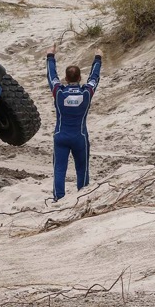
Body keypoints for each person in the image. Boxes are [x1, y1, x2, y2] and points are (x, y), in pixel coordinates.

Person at [46, 44, 102, 201]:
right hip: (79, 136)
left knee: (59, 169)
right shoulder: (86, 93)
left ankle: (58, 198)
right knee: (82, 169)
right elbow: (94, 78)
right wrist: (98, 58)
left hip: (61, 135)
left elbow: (51, 76)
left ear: (65, 79)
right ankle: (83, 196)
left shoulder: (59, 92)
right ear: (79, 78)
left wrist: (50, 56)